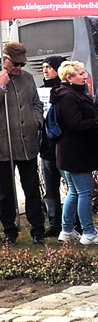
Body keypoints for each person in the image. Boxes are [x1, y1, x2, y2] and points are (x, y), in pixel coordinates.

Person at [0, 41, 46, 244]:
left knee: (32, 189)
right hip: (2, 145)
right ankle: (10, 230)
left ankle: (38, 229)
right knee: (6, 192)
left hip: (27, 144)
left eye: (21, 64)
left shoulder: (27, 78)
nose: (19, 68)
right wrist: (0, 86)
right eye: (15, 64)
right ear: (5, 60)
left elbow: (36, 103)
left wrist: (36, 121)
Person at [51, 60, 98, 244]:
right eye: (80, 73)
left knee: (74, 192)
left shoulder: (68, 94)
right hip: (75, 152)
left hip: (69, 151)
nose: (84, 76)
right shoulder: (69, 97)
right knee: (84, 192)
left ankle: (67, 230)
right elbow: (75, 124)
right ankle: (88, 232)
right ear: (69, 78)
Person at [39, 56, 64, 238]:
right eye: (43, 67)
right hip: (46, 148)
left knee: (72, 188)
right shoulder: (40, 91)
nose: (45, 70)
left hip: (63, 147)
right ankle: (54, 223)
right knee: (50, 189)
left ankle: (73, 222)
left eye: (49, 67)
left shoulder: (64, 91)